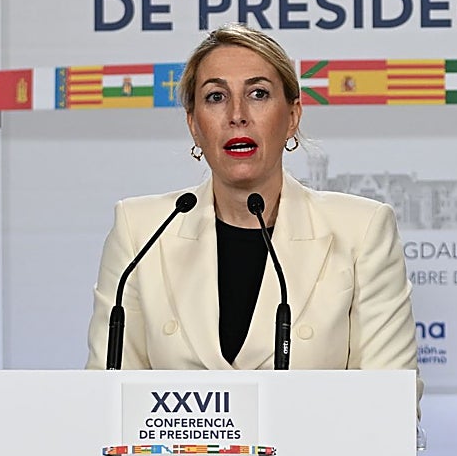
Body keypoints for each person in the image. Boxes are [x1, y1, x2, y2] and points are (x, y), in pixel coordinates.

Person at [85, 24, 421, 398]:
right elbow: (107, 401)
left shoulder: (361, 231)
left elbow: (390, 403)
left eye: (258, 94)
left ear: (292, 116)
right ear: (194, 124)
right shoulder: (141, 230)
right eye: (215, 97)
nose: (237, 115)